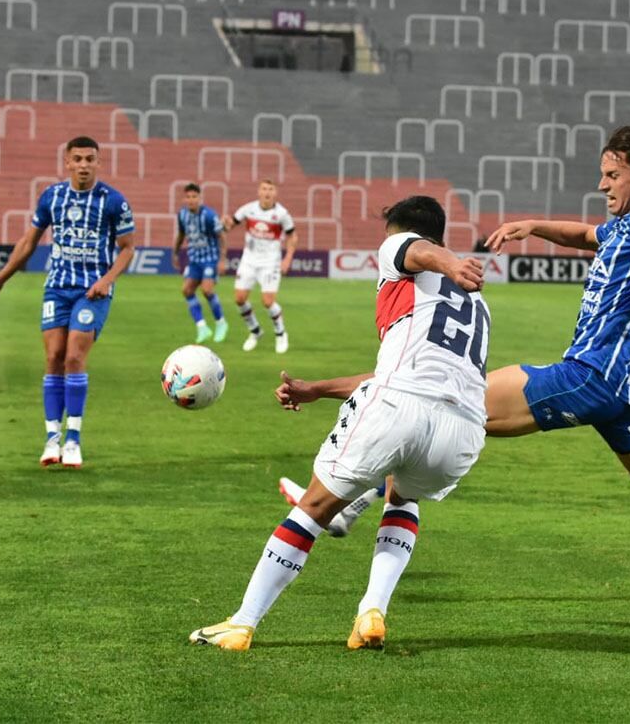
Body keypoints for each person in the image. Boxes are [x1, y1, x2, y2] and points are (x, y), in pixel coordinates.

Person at [278, 127, 630, 617]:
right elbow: (583, 235)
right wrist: (532, 225)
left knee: (447, 400)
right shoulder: (624, 227)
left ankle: (349, 501)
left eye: (612, 175)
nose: (603, 185)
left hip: (590, 374)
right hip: (628, 390)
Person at [190, 196, 490, 651]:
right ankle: (372, 611)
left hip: (400, 408)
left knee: (313, 507)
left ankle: (242, 623)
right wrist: (318, 388)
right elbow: (402, 370)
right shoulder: (476, 306)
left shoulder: (403, 252)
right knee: (402, 496)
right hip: (463, 429)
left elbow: (417, 251)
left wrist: (448, 259)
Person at [0, 136, 135, 469]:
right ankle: (52, 439)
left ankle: (74, 439)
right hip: (57, 288)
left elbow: (128, 248)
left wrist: (106, 281)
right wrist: (0, 279)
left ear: (98, 162)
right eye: (77, 159)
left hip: (91, 292)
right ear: (66, 162)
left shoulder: (113, 201)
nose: (83, 165)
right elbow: (28, 243)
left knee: (75, 357)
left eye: (90, 159)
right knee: (53, 357)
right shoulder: (52, 197)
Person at [223, 180, 296, 354]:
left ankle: (280, 333)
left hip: (270, 263)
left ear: (275, 193)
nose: (267, 192)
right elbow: (230, 225)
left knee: (268, 301)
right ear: (259, 191)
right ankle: (255, 331)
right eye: (264, 189)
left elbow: (293, 236)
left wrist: (288, 258)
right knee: (239, 299)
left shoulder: (281, 214)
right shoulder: (248, 209)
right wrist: (225, 222)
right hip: (248, 260)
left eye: (270, 189)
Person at [175, 183, 228, 343]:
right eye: (188, 197)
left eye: (194, 197)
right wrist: (175, 252)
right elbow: (181, 234)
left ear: (200, 198)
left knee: (206, 290)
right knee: (186, 290)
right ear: (185, 199)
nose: (191, 200)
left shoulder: (209, 215)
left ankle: (221, 322)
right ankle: (202, 327)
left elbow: (222, 237)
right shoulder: (182, 215)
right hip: (195, 259)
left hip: (210, 259)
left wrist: (222, 260)